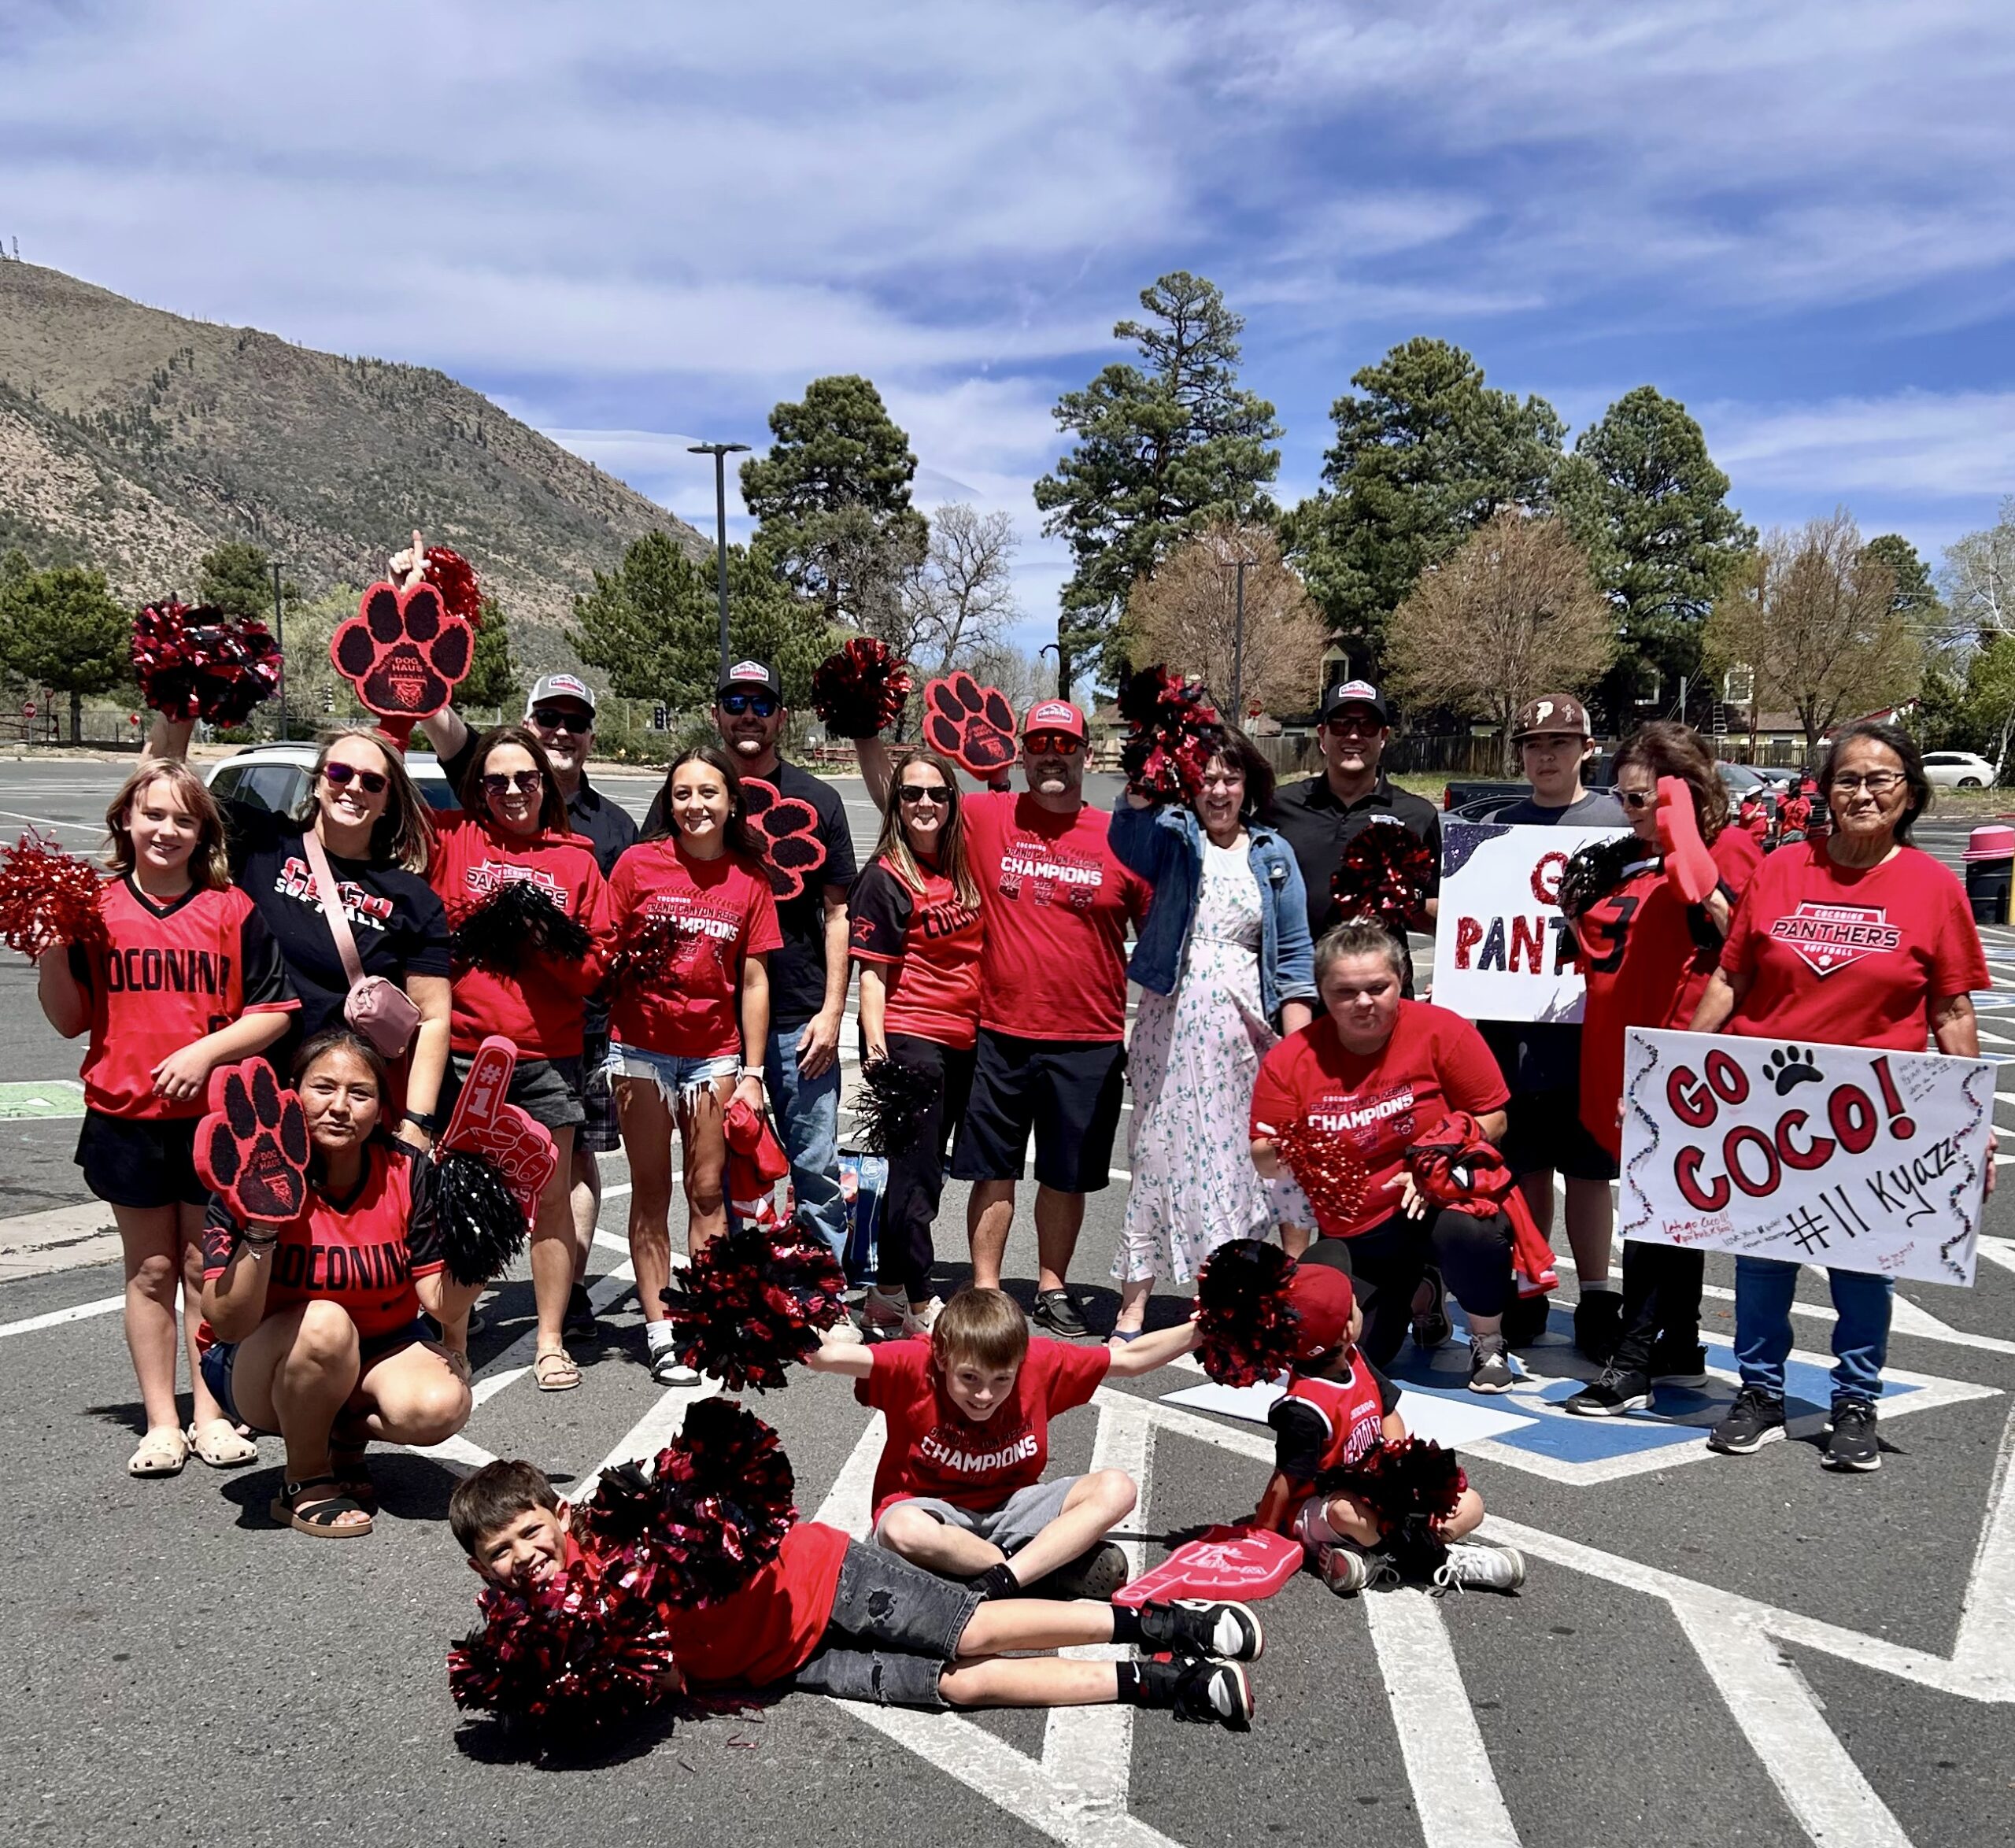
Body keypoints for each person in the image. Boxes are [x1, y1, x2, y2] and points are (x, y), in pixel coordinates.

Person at [1691, 721, 1991, 1471]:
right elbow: (1731, 979)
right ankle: (1758, 1392)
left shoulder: (1934, 888)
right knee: (1762, 1259)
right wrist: (1679, 1070)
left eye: (1880, 779)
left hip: (1880, 1114)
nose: (1863, 792)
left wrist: (1974, 1126)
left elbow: (1952, 1011)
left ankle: (1855, 1401)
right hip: (1771, 1102)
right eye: (1847, 779)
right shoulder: (1784, 867)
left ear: (1909, 795)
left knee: (1867, 1264)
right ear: (1823, 793)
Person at [450, 1459, 1263, 1726]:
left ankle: (1167, 1621)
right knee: (958, 1683)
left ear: (560, 1513)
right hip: (786, 1663)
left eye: (529, 1532)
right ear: (482, 1571)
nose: (524, 1556)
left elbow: (718, 1509)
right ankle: (1171, 1680)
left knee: (971, 1628)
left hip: (824, 1576)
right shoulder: (544, 1635)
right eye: (500, 1552)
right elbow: (663, 1681)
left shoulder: (625, 1529)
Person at [38, 761, 299, 1477]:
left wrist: (203, 1054)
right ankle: (160, 1420)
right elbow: (68, 1021)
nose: (167, 830)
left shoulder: (230, 909)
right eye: (153, 814)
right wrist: (51, 951)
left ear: (203, 832)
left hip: (211, 1120)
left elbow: (274, 1011)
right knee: (149, 1269)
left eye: (184, 819)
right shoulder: (93, 908)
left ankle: (210, 1411)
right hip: (124, 1113)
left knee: (200, 1268)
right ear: (126, 818)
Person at [423, 674, 638, 1345]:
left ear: (545, 784)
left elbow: (596, 970)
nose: (512, 792)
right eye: (496, 782)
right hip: (461, 1052)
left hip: (549, 1055)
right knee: (449, 1195)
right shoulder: (452, 839)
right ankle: (453, 1332)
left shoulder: (578, 858)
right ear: (477, 789)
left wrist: (542, 937)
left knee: (550, 1195)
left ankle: (549, 1336)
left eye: (525, 781)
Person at [198, 1030, 477, 1536]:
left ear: (380, 1107)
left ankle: (343, 1437)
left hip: (378, 1351)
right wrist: (262, 1225)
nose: (340, 1107)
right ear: (292, 1092)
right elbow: (228, 1322)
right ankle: (304, 1477)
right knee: (326, 1322)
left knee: (441, 1405)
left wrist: (487, 1238)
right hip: (259, 1367)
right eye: (323, 1088)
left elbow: (438, 1300)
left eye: (361, 1093)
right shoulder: (252, 1166)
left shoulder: (406, 1170)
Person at [1564, 723, 1763, 1416]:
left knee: (1655, 1206)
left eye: (1644, 796)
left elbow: (1737, 941)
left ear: (1684, 787)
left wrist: (1688, 847)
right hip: (1614, 1042)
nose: (1631, 810)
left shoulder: (1727, 849)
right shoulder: (1628, 856)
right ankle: (1679, 1335)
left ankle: (1636, 1357)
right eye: (1622, 797)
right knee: (1670, 1201)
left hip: (1679, 1049)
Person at [146, 714, 453, 1151]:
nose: (353, 787)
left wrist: (417, 1123)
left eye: (372, 782)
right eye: (340, 772)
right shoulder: (263, 842)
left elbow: (434, 1017)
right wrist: (180, 705)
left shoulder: (412, 899)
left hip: (346, 1105)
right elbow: (163, 781)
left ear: (388, 801)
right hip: (254, 1090)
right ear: (317, 782)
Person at [943, 700, 1151, 1335]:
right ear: (1022, 753)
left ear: (1086, 754)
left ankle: (1052, 1286)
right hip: (1000, 1031)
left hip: (1087, 1039)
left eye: (1065, 745)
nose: (1052, 755)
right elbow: (899, 803)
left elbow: (1162, 937)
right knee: (994, 1168)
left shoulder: (1123, 837)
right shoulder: (986, 815)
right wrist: (869, 730)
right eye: (1040, 745)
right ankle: (984, 1289)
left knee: (1066, 1176)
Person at [1107, 725, 1317, 1336]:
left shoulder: (1273, 856)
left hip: (1244, 1031)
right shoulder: (1175, 836)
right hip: (1169, 1019)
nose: (1219, 791)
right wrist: (1143, 786)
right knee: (1155, 1155)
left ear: (1248, 784)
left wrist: (1298, 1049)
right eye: (1207, 780)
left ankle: (1235, 1296)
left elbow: (1297, 955)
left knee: (1240, 1162)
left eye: (1230, 778)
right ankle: (1133, 1304)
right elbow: (1128, 841)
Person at [647, 660, 856, 1269]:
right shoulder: (683, 797)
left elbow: (837, 914)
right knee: (713, 1173)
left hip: (796, 1014)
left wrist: (832, 1011)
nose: (748, 715)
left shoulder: (817, 800)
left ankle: (821, 1289)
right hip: (704, 1023)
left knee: (812, 1163)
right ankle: (727, 1292)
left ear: (781, 719)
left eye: (761, 705)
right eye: (735, 703)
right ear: (716, 714)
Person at [1250, 921, 1520, 1392]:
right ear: (1321, 993)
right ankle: (1421, 1294)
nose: (1363, 1003)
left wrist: (1434, 1164)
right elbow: (1263, 1158)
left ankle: (1488, 1340)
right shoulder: (1291, 1059)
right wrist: (1299, 1147)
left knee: (1474, 1228)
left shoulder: (1441, 1030)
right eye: (1345, 992)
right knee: (1347, 1352)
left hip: (1435, 1201)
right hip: (1359, 1228)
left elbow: (1494, 1117)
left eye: (1378, 988)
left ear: (1401, 981)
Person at [807, 1286, 1199, 1602]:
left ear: (1019, 1362)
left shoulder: (1040, 1361)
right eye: (970, 1379)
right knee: (902, 1530)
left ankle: (997, 1575)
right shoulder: (914, 1363)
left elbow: (1129, 1359)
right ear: (942, 1359)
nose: (984, 1396)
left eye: (1001, 1380)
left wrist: (1206, 1329)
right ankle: (1034, 1568)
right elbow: (825, 1356)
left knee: (1118, 1488)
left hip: (1012, 1507)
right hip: (933, 1511)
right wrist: (773, 1306)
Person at [607, 748, 780, 1386]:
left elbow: (755, 980)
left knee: (708, 1191)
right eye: (682, 793)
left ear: (731, 801)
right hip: (640, 1052)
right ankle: (660, 1330)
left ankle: (702, 1320)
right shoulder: (636, 865)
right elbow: (603, 947)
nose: (695, 806)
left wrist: (755, 1072)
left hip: (715, 1055)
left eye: (708, 792)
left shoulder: (749, 879)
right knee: (650, 1190)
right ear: (669, 802)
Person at [1476, 694, 1628, 1361]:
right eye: (1536, 744)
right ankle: (1533, 1284)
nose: (1547, 755)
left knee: (1591, 1172)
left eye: (1561, 744)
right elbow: (1473, 927)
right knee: (1528, 1168)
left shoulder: (1618, 826)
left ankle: (1596, 1294)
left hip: (1592, 1028)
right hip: (1517, 1029)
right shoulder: (1497, 830)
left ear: (1586, 749)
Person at [1250, 1263, 1522, 1593]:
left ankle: (1374, 1558)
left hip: (1380, 1498)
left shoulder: (1356, 1358)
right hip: (1322, 1505)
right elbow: (1286, 1479)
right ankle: (1438, 1559)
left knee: (1471, 1504)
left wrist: (1402, 1471)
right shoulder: (1304, 1408)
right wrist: (1261, 1537)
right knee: (1350, 1515)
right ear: (1347, 1328)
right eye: (1354, 1304)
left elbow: (1388, 1412)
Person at [846, 747, 984, 1339]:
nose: (925, 803)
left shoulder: (961, 867)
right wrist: (875, 1048)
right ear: (896, 804)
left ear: (953, 803)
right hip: (911, 1037)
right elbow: (872, 974)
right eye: (911, 794)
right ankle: (919, 1299)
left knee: (926, 1173)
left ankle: (885, 1293)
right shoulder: (885, 875)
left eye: (937, 793)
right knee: (915, 1177)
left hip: (966, 1037)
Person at [1270, 680, 1441, 949]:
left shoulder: (1418, 815)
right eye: (1341, 724)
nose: (1353, 735)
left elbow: (1442, 919)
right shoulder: (1279, 806)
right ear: (1322, 734)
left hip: (1379, 984)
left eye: (1367, 726)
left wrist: (1406, 897)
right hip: (1295, 983)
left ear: (1383, 736)